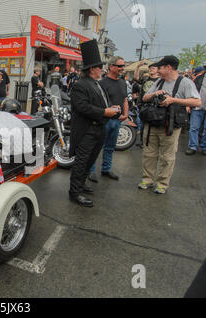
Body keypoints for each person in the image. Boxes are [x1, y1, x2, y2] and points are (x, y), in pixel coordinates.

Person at [68, 39, 120, 207]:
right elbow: (82, 107)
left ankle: (81, 184)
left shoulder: (97, 84)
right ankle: (74, 192)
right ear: (92, 69)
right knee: (81, 162)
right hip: (86, 131)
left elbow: (100, 104)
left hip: (99, 129)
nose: (102, 70)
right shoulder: (80, 85)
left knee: (90, 161)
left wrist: (111, 108)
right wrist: (105, 112)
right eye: (100, 67)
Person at [139, 55, 201, 194]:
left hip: (170, 125)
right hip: (153, 122)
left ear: (168, 67)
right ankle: (147, 180)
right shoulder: (159, 82)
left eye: (160, 67)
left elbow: (197, 102)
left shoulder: (185, 82)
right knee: (149, 153)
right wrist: (155, 93)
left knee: (167, 156)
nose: (157, 70)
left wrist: (173, 100)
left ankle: (162, 183)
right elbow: (144, 97)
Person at [88, 56, 128, 182]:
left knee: (110, 147)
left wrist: (125, 113)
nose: (122, 68)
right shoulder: (101, 83)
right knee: (96, 147)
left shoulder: (122, 82)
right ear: (111, 67)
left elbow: (124, 99)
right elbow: (96, 103)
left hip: (117, 121)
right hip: (104, 121)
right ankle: (91, 171)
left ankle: (106, 169)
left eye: (123, 65)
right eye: (120, 66)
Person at [186, 59, 206, 156]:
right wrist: (189, 104)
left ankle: (205, 146)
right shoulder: (199, 78)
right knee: (194, 128)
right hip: (197, 107)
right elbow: (192, 92)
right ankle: (192, 146)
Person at [134, 63, 160, 147]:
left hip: (154, 105)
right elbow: (136, 78)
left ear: (157, 70)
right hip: (143, 105)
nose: (151, 69)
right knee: (142, 125)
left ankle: (150, 143)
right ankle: (142, 141)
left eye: (153, 68)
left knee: (152, 126)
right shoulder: (145, 79)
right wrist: (138, 67)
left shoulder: (160, 81)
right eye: (150, 68)